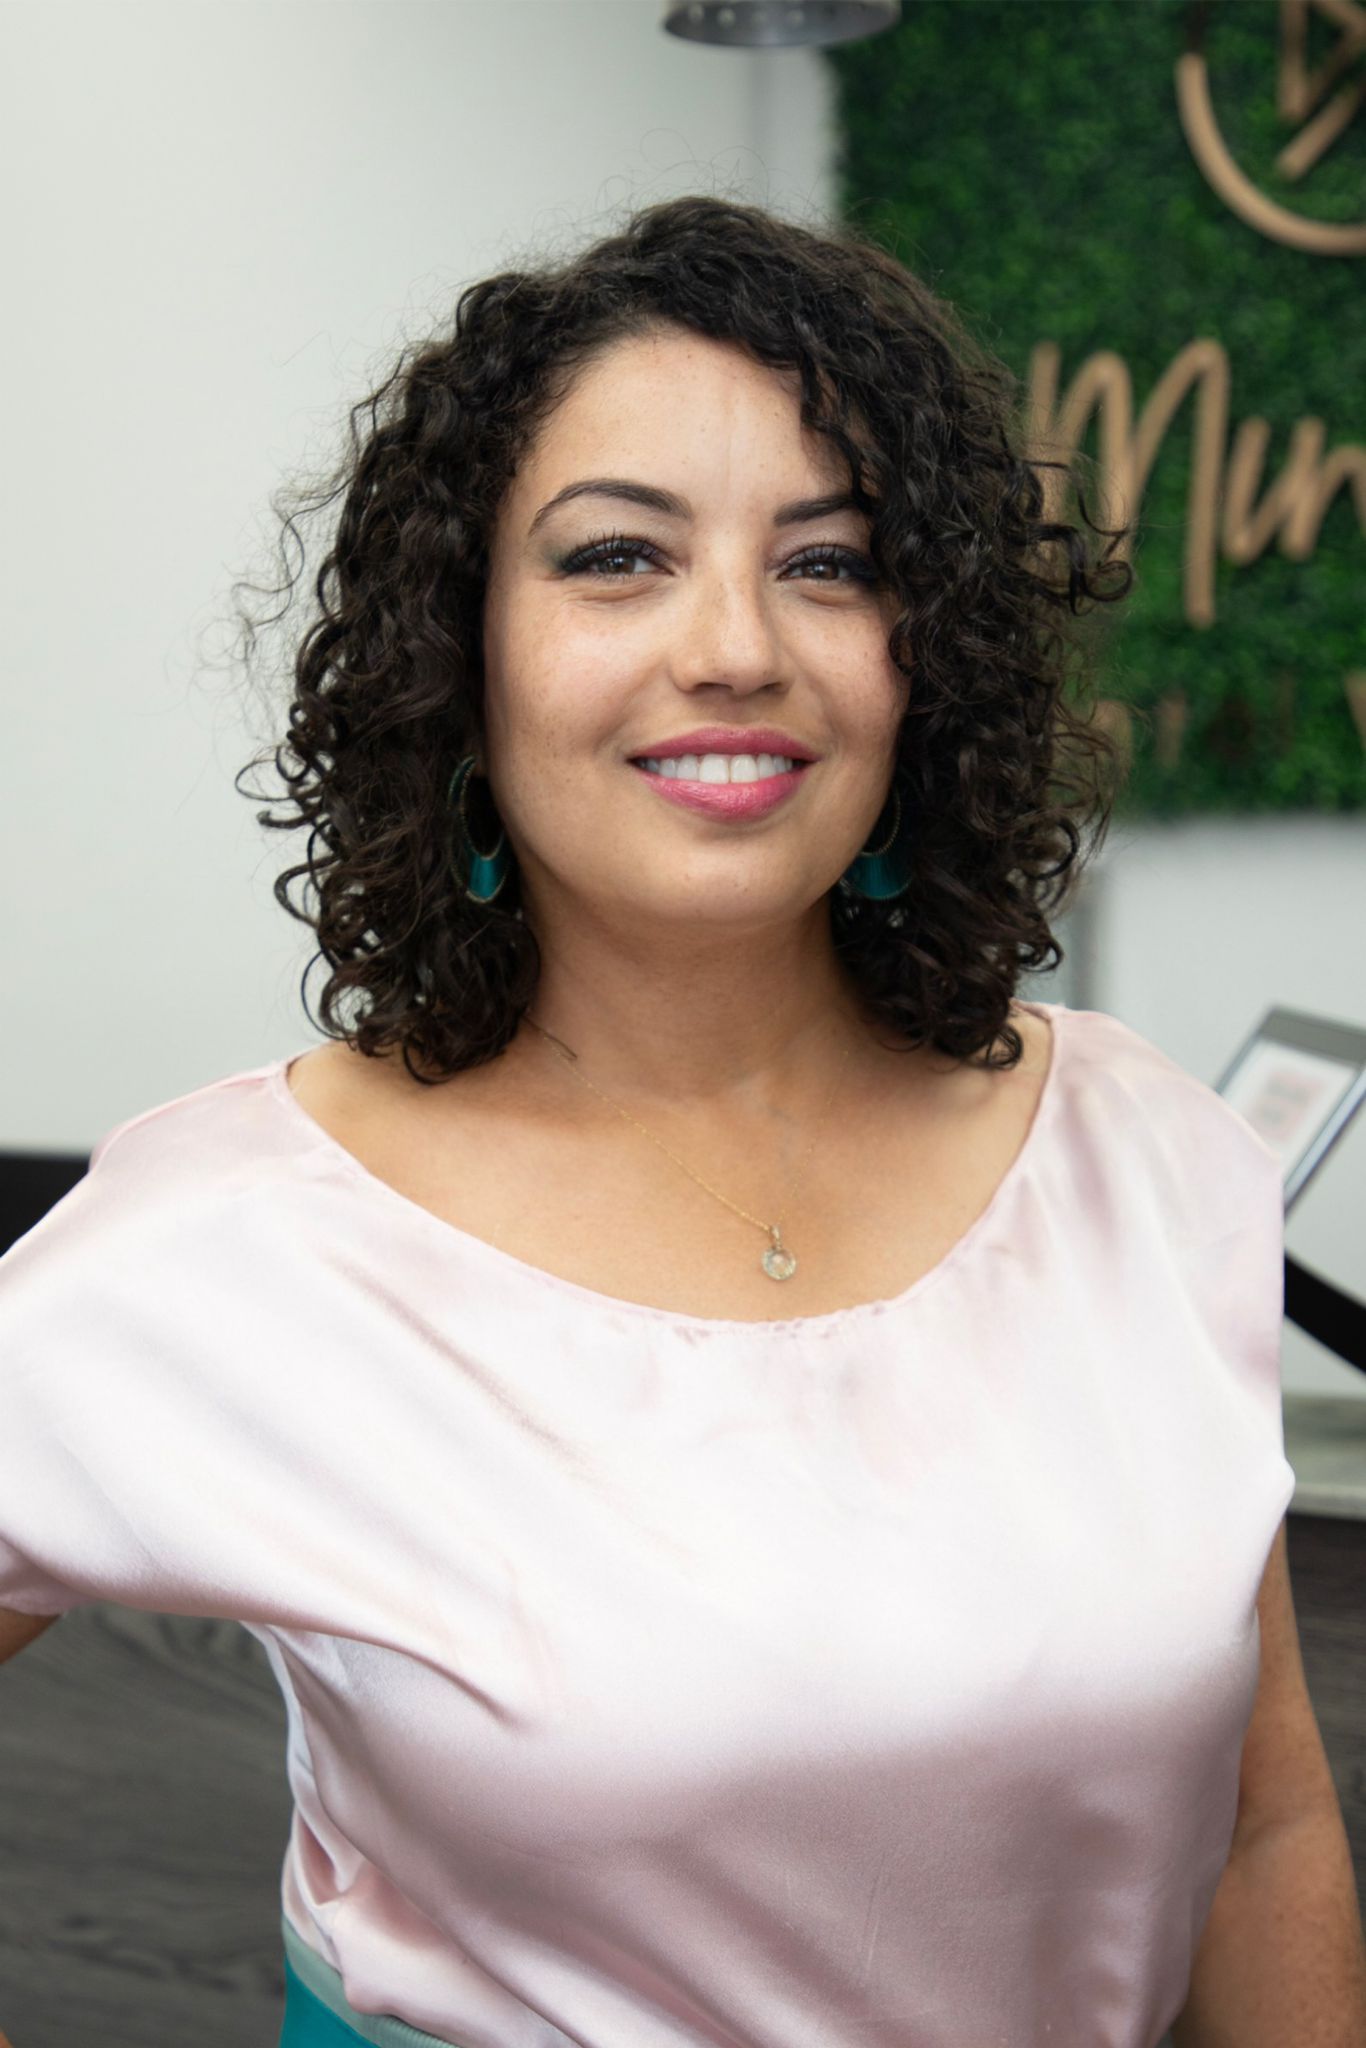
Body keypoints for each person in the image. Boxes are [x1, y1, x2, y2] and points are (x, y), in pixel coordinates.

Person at [0, 195, 1361, 2048]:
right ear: (461, 652)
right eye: (616, 558)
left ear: (924, 658)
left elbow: (1263, 1824)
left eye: (831, 562)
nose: (734, 647)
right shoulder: (237, 1239)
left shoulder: (1143, 1152)